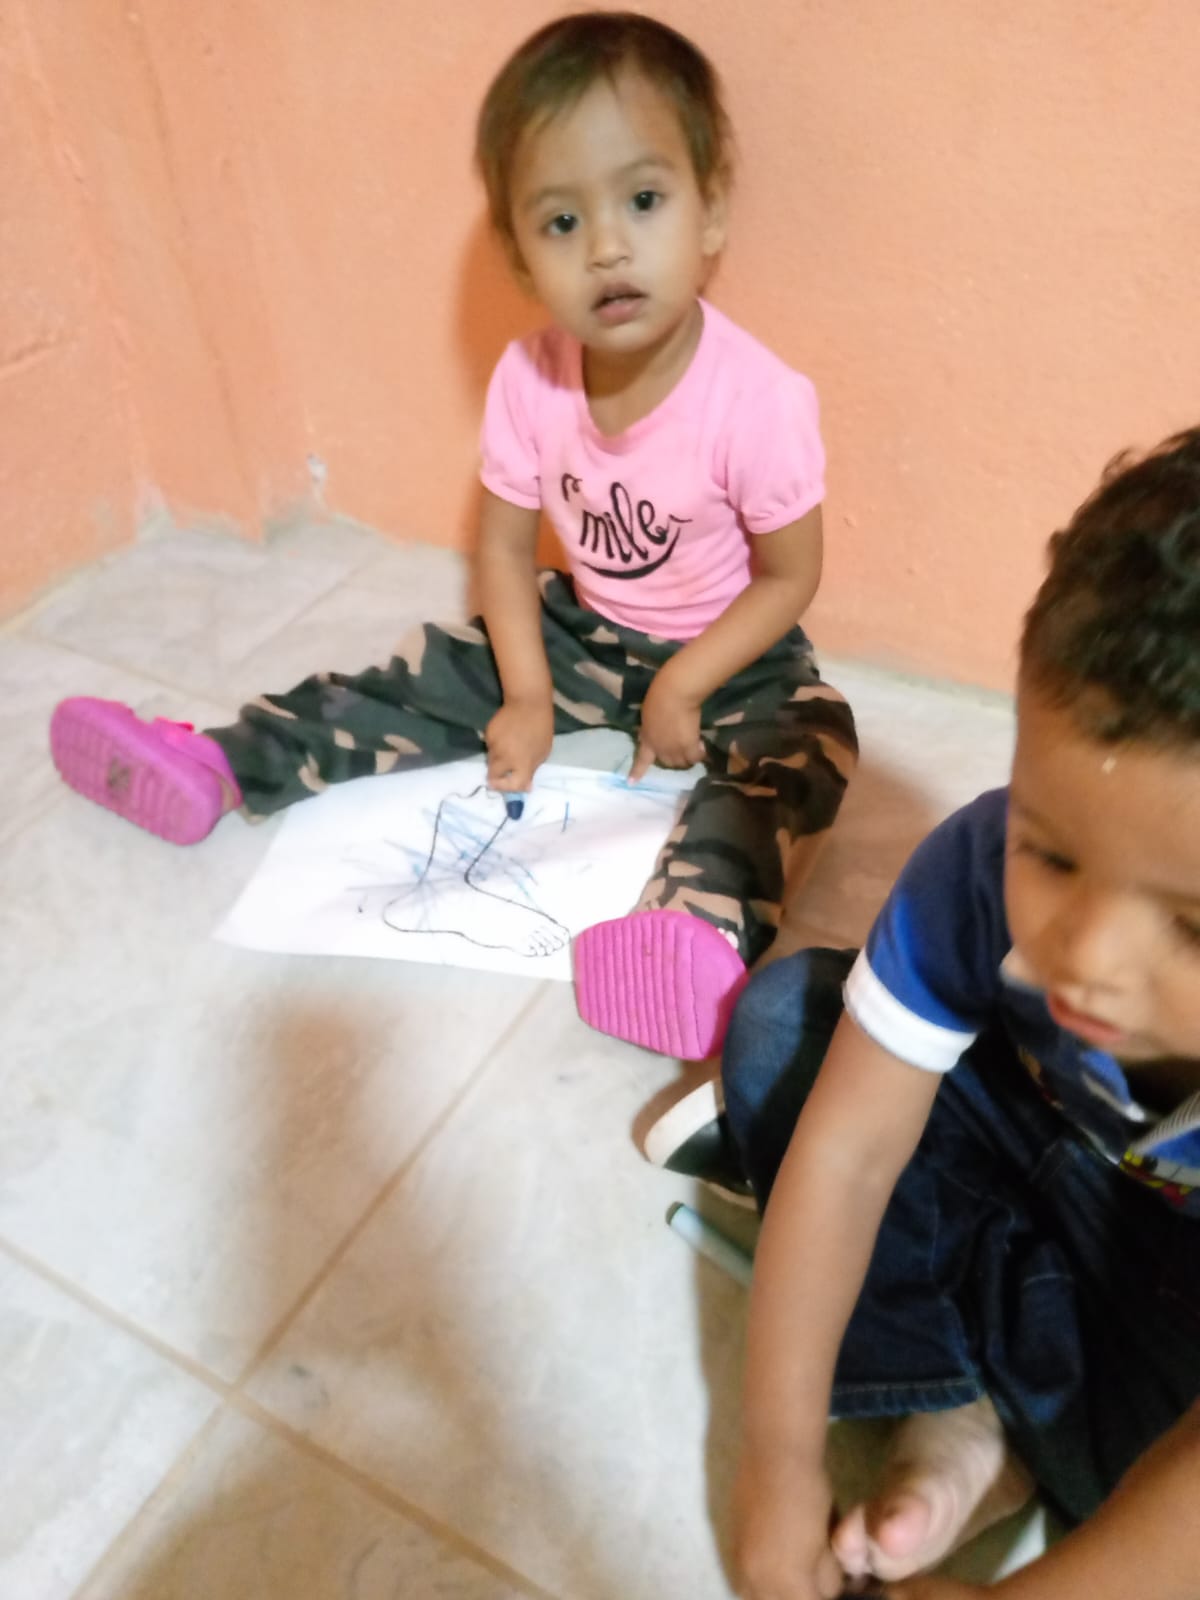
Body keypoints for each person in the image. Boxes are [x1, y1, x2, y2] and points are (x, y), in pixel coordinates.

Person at [48, 11, 856, 1060]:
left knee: (809, 745)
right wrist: (527, 692)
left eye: (644, 201)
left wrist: (687, 682)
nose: (607, 246)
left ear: (711, 214)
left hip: (732, 651)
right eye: (561, 221)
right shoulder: (529, 378)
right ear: (519, 256)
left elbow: (791, 577)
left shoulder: (759, 400)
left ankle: (693, 931)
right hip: (584, 630)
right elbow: (507, 551)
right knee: (422, 674)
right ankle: (220, 762)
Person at [666, 428, 1200, 1595]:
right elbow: (851, 1151)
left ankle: (1022, 1422)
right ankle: (955, 1404)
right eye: (1051, 852)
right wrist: (776, 1462)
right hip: (1057, 1165)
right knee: (788, 1031)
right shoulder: (974, 868)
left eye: (1192, 927)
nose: (1088, 957)